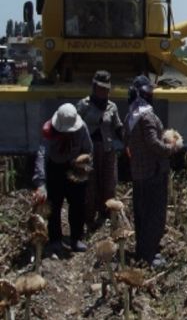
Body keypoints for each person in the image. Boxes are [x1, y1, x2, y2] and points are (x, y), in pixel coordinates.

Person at [124, 76, 177, 267]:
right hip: (153, 173)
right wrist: (171, 148)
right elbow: (153, 144)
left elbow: (127, 143)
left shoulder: (131, 116)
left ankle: (142, 250)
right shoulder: (146, 117)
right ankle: (150, 254)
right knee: (154, 214)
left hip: (139, 172)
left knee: (141, 213)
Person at [32, 103, 93, 253]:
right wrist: (41, 183)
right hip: (56, 168)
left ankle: (76, 238)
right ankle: (55, 240)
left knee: (78, 204)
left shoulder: (82, 128)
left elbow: (89, 150)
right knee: (54, 206)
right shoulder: (49, 131)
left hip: (74, 167)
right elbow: (42, 155)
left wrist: (83, 165)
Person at [76, 70, 123, 230]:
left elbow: (118, 127)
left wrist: (128, 142)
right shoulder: (84, 105)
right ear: (94, 87)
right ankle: (88, 219)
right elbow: (75, 127)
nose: (104, 92)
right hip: (89, 151)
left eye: (106, 89)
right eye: (101, 88)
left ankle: (107, 216)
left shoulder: (112, 106)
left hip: (108, 149)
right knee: (90, 185)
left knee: (109, 183)